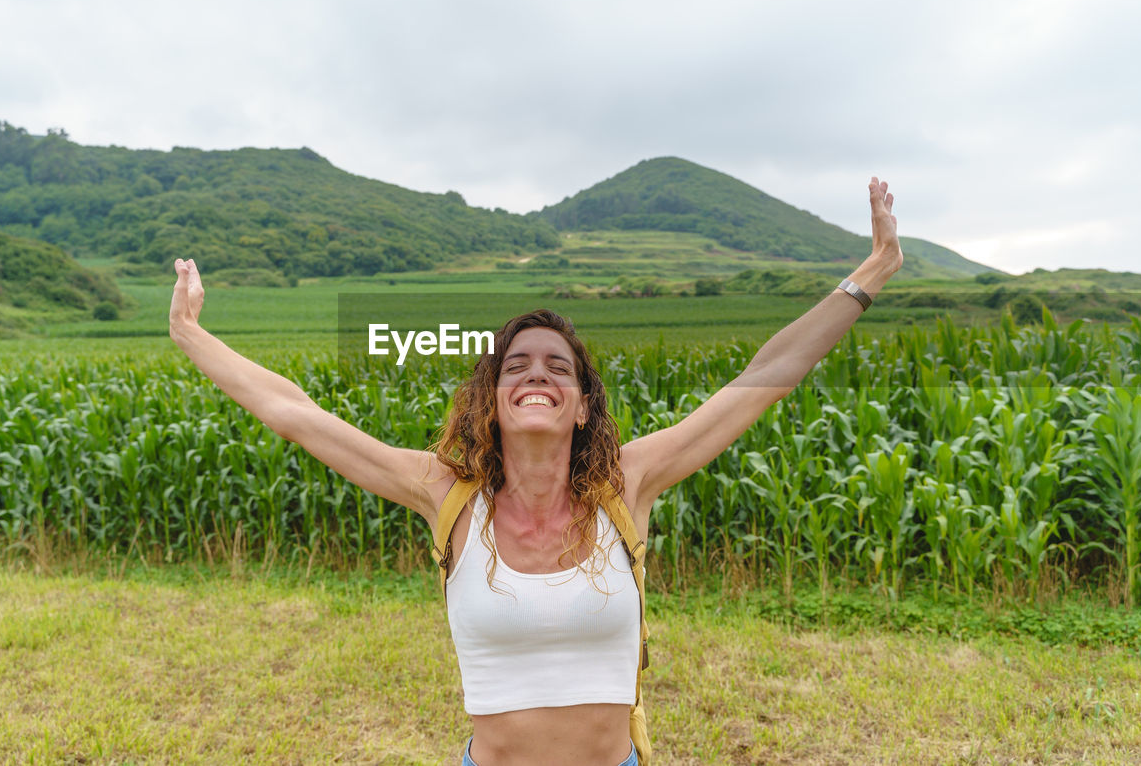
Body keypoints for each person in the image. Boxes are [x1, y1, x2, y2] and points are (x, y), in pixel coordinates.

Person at [168, 178, 902, 766]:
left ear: (583, 404)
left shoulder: (629, 484)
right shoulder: (446, 494)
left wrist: (869, 273)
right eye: (515, 365)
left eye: (558, 366)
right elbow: (295, 411)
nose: (536, 374)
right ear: (491, 399)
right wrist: (190, 333)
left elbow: (766, 373)